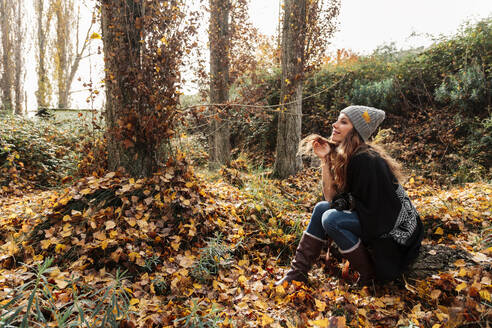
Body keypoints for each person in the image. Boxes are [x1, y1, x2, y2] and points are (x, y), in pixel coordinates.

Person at [276, 105, 424, 286]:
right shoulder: (350, 156)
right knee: (321, 208)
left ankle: (369, 277)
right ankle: (298, 272)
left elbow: (379, 210)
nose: (334, 124)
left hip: (395, 230)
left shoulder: (366, 160)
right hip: (374, 218)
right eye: (337, 120)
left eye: (343, 122)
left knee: (331, 218)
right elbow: (331, 199)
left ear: (355, 131)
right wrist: (325, 160)